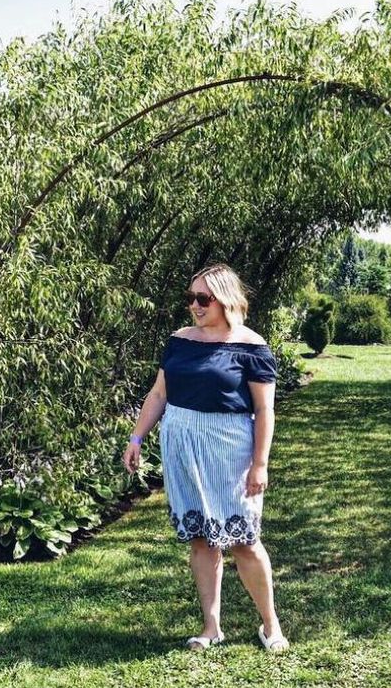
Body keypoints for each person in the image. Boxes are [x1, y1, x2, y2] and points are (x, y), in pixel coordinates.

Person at [122, 264, 289, 653]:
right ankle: (211, 626)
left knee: (244, 539)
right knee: (201, 539)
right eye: (191, 298)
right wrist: (136, 437)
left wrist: (259, 463)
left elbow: (265, 410)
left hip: (229, 448)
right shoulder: (179, 340)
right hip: (181, 443)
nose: (195, 306)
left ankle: (270, 624)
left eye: (203, 298)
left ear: (225, 299)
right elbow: (159, 394)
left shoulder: (251, 346)